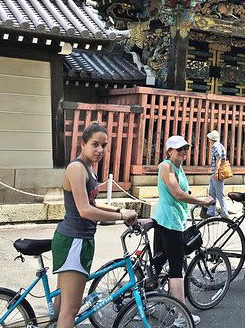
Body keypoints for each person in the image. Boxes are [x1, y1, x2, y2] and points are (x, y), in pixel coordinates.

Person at [51, 123, 138, 328]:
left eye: (104, 145)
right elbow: (85, 210)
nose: (100, 150)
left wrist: (119, 210)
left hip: (82, 239)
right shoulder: (76, 168)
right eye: (95, 144)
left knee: (62, 304)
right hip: (74, 240)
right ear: (83, 144)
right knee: (70, 310)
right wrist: (121, 216)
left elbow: (93, 202)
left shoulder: (89, 168)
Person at [152, 135, 214, 326]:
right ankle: (181, 315)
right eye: (179, 149)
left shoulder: (178, 167)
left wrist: (192, 198)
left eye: (185, 148)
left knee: (157, 262)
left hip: (169, 220)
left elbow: (183, 192)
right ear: (169, 151)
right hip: (169, 223)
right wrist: (201, 201)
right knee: (176, 269)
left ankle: (145, 304)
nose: (183, 152)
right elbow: (177, 194)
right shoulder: (166, 166)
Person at [203, 129, 229, 219]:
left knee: (219, 194)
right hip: (216, 173)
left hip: (216, 173)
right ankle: (211, 212)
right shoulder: (220, 145)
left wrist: (216, 172)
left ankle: (224, 213)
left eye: (209, 138)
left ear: (211, 139)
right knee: (212, 193)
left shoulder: (215, 146)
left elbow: (218, 159)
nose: (208, 140)